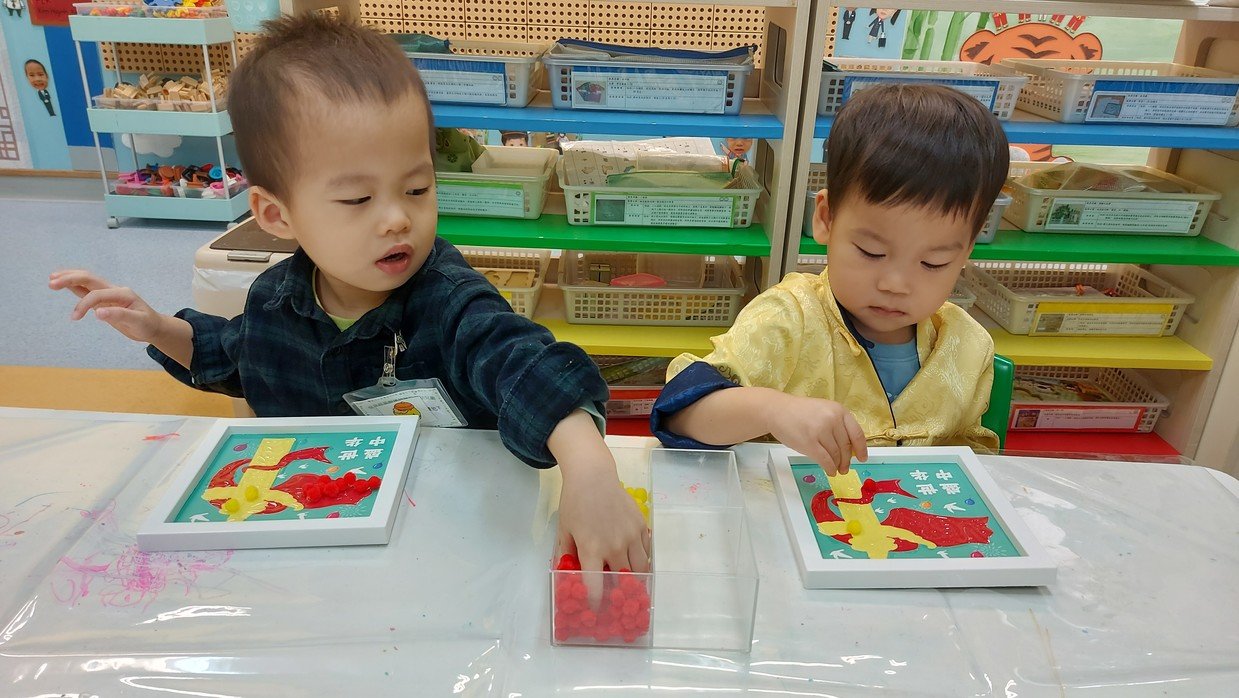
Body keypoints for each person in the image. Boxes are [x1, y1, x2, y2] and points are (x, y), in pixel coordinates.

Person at [50, 14, 649, 578]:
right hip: (308, 538)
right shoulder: (274, 301)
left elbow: (522, 363)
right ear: (276, 215)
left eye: (417, 188)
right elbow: (236, 357)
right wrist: (158, 328)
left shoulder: (447, 299)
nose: (397, 219)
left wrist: (590, 468)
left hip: (447, 543)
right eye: (358, 200)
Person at [651, 84, 1008, 474]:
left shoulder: (967, 344)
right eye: (871, 252)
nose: (895, 284)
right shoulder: (788, 318)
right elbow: (681, 415)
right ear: (825, 218)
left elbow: (973, 459)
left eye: (934, 262)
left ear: (968, 249)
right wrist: (772, 409)